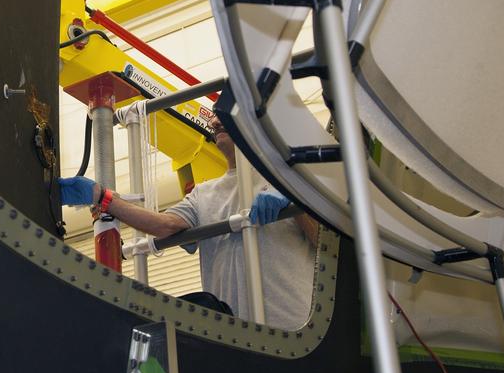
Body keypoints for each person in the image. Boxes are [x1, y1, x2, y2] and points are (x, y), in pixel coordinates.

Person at [59, 116, 320, 327]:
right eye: (214, 117)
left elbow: (326, 243)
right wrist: (101, 198)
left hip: (292, 327)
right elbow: (164, 225)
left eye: (224, 113)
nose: (215, 122)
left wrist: (293, 200)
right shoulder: (205, 194)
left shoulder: (293, 176)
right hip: (234, 336)